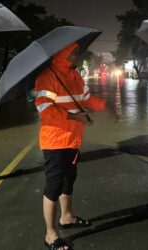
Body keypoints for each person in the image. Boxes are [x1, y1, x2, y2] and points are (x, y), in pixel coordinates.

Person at [34, 43, 106, 250]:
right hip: (55, 140)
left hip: (73, 139)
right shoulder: (46, 78)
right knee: (53, 185)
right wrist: (77, 116)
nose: (77, 57)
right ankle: (50, 234)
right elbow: (46, 110)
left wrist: (104, 106)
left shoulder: (74, 76)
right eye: (73, 53)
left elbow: (86, 98)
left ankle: (67, 217)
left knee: (69, 179)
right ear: (62, 55)